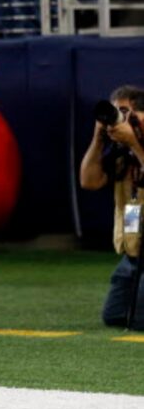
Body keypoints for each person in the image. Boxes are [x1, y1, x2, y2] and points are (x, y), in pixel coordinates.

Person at [80, 86, 144, 330]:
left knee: (139, 321)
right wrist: (98, 138)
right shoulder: (119, 152)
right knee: (115, 316)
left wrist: (135, 143)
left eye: (123, 112)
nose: (116, 118)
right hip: (134, 252)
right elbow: (89, 181)